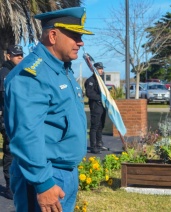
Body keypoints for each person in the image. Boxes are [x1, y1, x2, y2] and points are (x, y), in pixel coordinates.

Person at [3, 7, 93, 212]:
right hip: (44, 176)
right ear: (53, 35)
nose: (81, 42)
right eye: (75, 36)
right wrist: (43, 183)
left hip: (63, 173)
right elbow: (25, 134)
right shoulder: (32, 74)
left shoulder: (62, 69)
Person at [0, 45, 24, 200]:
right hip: (5, 117)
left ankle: (13, 183)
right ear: (8, 56)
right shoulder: (5, 73)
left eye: (21, 55)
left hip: (14, 116)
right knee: (10, 150)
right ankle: (9, 186)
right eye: (16, 56)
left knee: (13, 149)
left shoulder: (17, 72)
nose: (20, 58)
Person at [85, 62, 108, 154]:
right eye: (100, 69)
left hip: (102, 106)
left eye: (102, 68)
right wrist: (100, 98)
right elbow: (89, 93)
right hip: (95, 106)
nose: (102, 70)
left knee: (100, 125)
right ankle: (93, 146)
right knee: (94, 126)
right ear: (95, 70)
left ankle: (99, 144)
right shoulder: (91, 80)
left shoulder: (100, 80)